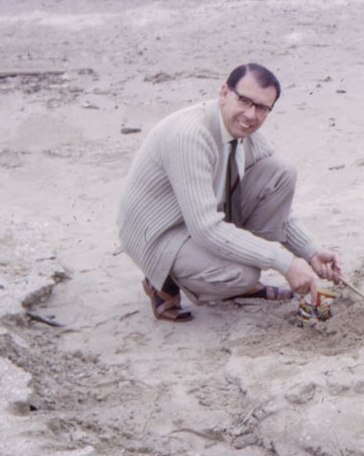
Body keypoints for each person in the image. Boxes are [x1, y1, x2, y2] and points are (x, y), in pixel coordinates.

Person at [117, 63, 343, 322]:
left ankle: (228, 271)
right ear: (224, 93)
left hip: (198, 215)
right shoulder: (190, 135)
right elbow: (205, 229)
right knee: (243, 275)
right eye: (244, 101)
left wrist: (311, 252)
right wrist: (285, 262)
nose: (250, 115)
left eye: (261, 108)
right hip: (158, 232)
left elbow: (277, 204)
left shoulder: (245, 131)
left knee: (281, 173)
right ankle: (161, 278)